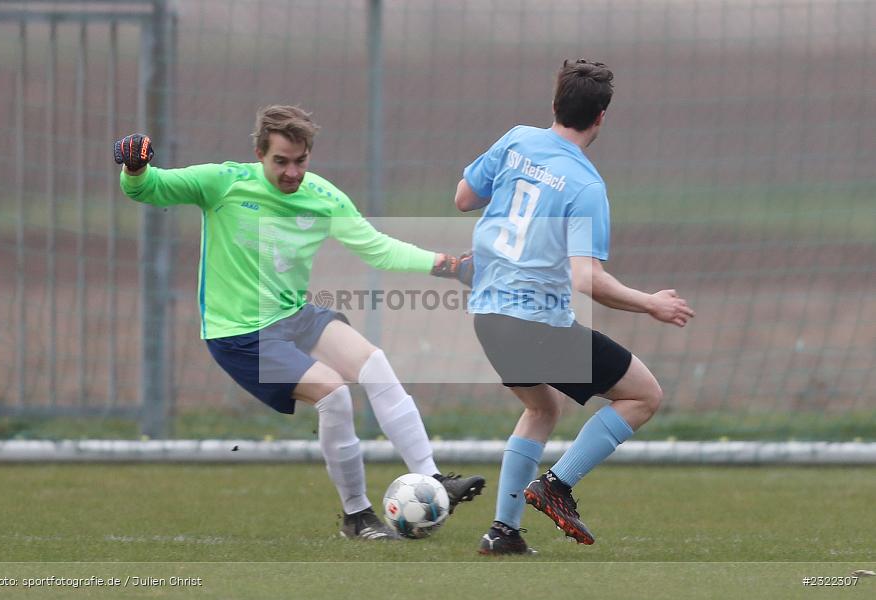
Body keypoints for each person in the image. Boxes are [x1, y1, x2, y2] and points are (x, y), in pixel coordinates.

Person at [114, 105, 484, 541]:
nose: (292, 172)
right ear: (259, 154)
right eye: (281, 161)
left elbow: (377, 249)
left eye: (301, 161)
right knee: (334, 396)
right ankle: (357, 516)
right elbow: (151, 189)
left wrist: (450, 265)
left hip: (295, 315)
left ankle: (434, 480)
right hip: (240, 334)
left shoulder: (322, 196)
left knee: (374, 363)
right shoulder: (223, 183)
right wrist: (135, 168)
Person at [453, 60, 695, 555]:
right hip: (533, 323)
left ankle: (503, 532)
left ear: (554, 105)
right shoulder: (586, 186)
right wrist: (651, 303)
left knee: (543, 407)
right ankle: (557, 486)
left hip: (488, 318)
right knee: (643, 396)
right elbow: (589, 280)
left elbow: (463, 198)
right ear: (601, 117)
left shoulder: (516, 140)